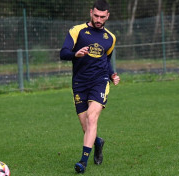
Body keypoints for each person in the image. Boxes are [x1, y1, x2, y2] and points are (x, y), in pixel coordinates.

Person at [60, 0, 120, 174]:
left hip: (100, 81)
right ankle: (98, 143)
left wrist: (112, 74)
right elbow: (63, 53)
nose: (99, 19)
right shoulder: (77, 31)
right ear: (90, 13)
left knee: (92, 118)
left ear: (107, 15)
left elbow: (106, 60)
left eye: (102, 16)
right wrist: (75, 54)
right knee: (86, 126)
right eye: (96, 15)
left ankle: (83, 162)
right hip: (79, 83)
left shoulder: (110, 38)